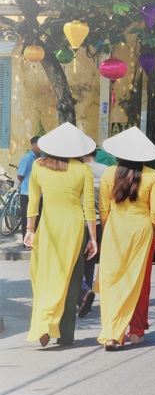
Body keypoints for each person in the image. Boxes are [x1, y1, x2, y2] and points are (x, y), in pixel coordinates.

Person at [23, 122, 98, 347]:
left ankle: (44, 323)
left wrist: (29, 230)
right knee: (72, 279)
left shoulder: (38, 166)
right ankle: (65, 333)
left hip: (48, 226)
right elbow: (88, 207)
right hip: (74, 227)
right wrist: (93, 238)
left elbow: (33, 201)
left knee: (43, 275)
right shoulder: (83, 169)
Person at [97, 127, 155, 351]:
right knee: (139, 281)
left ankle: (111, 333)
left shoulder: (108, 174)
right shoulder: (152, 176)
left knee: (112, 281)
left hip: (114, 229)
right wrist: (152, 232)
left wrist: (108, 232)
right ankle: (136, 331)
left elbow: (103, 210)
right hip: (142, 229)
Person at [77, 148, 108, 318]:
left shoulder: (79, 169)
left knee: (76, 260)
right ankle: (86, 293)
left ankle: (83, 292)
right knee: (90, 260)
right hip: (99, 222)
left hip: (81, 220)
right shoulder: (105, 170)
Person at [17, 136, 41, 243]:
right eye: (38, 144)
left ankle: (35, 242)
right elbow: (20, 176)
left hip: (39, 194)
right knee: (26, 219)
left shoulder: (42, 158)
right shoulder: (27, 158)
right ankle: (26, 242)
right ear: (32, 145)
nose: (40, 147)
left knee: (38, 219)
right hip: (27, 193)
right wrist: (26, 185)